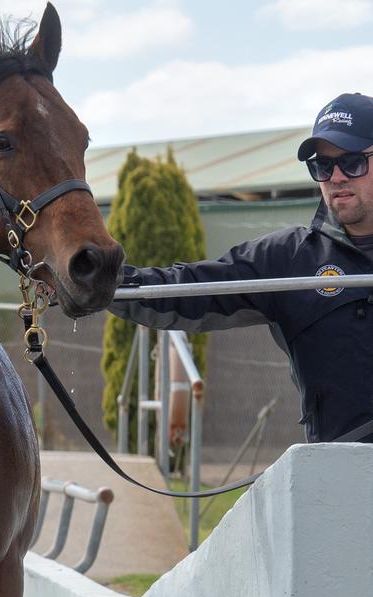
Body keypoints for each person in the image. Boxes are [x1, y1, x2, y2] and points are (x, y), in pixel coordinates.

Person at [110, 93, 373, 443]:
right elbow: (189, 289)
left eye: (353, 162)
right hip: (335, 479)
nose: (336, 177)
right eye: (323, 166)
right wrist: (97, 282)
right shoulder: (290, 260)